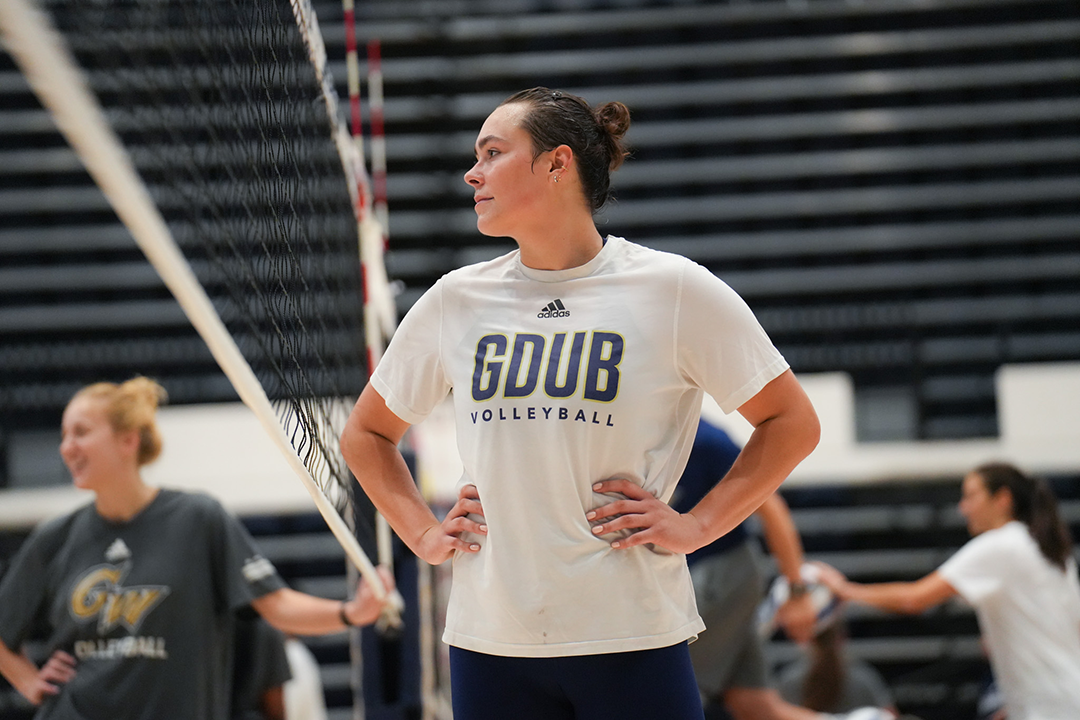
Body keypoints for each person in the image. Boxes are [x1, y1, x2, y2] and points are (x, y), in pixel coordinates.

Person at [340, 86, 824, 720]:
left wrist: (699, 525)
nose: (472, 173)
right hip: (493, 643)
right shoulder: (456, 299)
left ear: (556, 163)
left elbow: (792, 422)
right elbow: (365, 435)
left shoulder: (672, 289)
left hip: (631, 635)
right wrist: (423, 535)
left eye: (492, 153)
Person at [0, 377, 393, 720]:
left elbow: (274, 605)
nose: (66, 448)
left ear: (127, 440)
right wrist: (29, 682)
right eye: (63, 435)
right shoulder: (55, 537)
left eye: (81, 432)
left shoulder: (197, 519)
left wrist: (349, 613)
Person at [815, 462, 1080, 720]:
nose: (963, 508)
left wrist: (845, 590)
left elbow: (914, 599)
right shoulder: (1050, 551)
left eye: (971, 496)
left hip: (1049, 707)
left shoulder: (1002, 544)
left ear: (1002, 498)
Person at [674, 418, 894, 720]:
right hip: (710, 575)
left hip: (721, 574)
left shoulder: (706, 441)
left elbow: (772, 508)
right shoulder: (636, 433)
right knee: (753, 704)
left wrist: (796, 589)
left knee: (667, 684)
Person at [775, 620, 896, 715]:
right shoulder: (864, 677)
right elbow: (889, 715)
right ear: (842, 637)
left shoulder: (790, 679)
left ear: (807, 638)